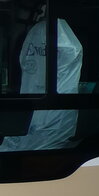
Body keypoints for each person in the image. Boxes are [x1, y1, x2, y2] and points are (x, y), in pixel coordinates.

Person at [0, 9, 83, 152]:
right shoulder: (59, 37)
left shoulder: (38, 33)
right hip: (47, 116)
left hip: (48, 116)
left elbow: (24, 63)